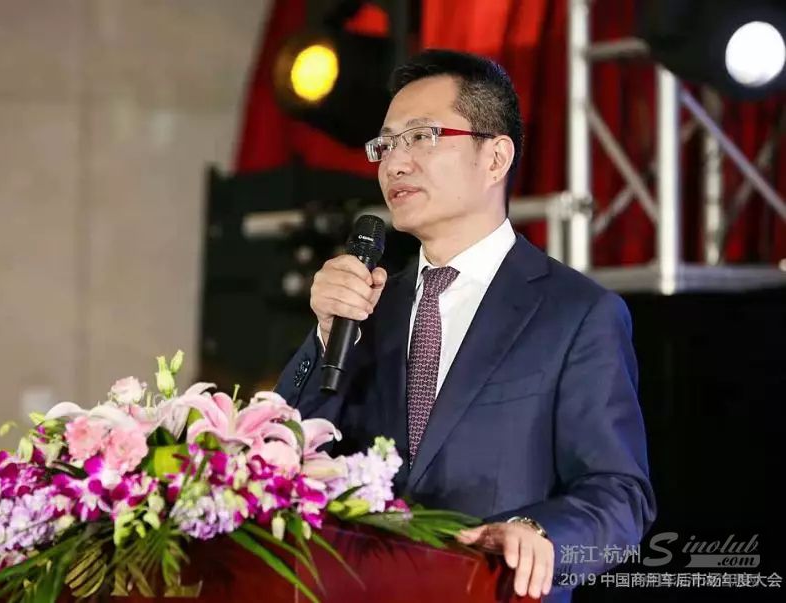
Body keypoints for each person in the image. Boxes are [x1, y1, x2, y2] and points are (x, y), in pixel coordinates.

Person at [273, 49, 656, 601]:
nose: (394, 163)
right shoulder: (367, 307)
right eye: (386, 144)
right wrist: (325, 333)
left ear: (495, 158)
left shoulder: (576, 313)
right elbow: (281, 452)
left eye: (421, 137)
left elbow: (620, 496)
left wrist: (541, 533)